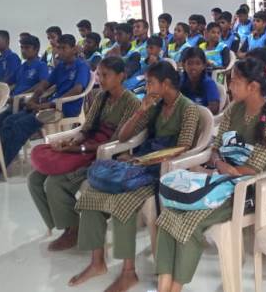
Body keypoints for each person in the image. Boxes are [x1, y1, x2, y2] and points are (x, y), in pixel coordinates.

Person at [154, 56, 266, 292]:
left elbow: (253, 169)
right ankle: (164, 285)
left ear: (252, 86)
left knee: (190, 221)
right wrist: (216, 164)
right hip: (218, 181)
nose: (229, 86)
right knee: (170, 212)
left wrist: (226, 169)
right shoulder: (235, 109)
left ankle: (176, 287)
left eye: (234, 81)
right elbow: (216, 147)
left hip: (245, 191)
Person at [70, 61, 200, 291]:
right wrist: (142, 109)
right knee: (91, 192)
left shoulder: (187, 108)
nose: (146, 86)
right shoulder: (155, 105)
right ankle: (97, 262)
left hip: (163, 170)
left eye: (150, 82)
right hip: (142, 164)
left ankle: (128, 272)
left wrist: (143, 160)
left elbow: (183, 148)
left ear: (166, 83)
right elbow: (123, 137)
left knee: (124, 200)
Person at [28, 57, 140, 252]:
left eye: (106, 75)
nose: (101, 79)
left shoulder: (131, 102)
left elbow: (117, 140)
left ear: (121, 76)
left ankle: (73, 230)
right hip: (86, 146)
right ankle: (63, 224)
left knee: (54, 183)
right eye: (99, 75)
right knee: (34, 179)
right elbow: (86, 128)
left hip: (105, 156)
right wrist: (73, 141)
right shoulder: (100, 97)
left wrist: (80, 149)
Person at [0, 34, 91, 179]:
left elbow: (78, 89)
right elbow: (45, 84)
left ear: (74, 49)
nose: (60, 52)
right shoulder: (60, 66)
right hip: (50, 107)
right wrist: (34, 99)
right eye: (58, 48)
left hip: (65, 109)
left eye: (64, 48)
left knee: (21, 125)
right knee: (9, 120)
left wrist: (48, 103)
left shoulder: (81, 66)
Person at [179, 48, 220, 114]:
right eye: (190, 63)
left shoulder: (209, 83)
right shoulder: (180, 80)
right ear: (183, 65)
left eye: (198, 64)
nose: (193, 67)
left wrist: (192, 114)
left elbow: (214, 109)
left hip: (203, 119)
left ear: (204, 66)